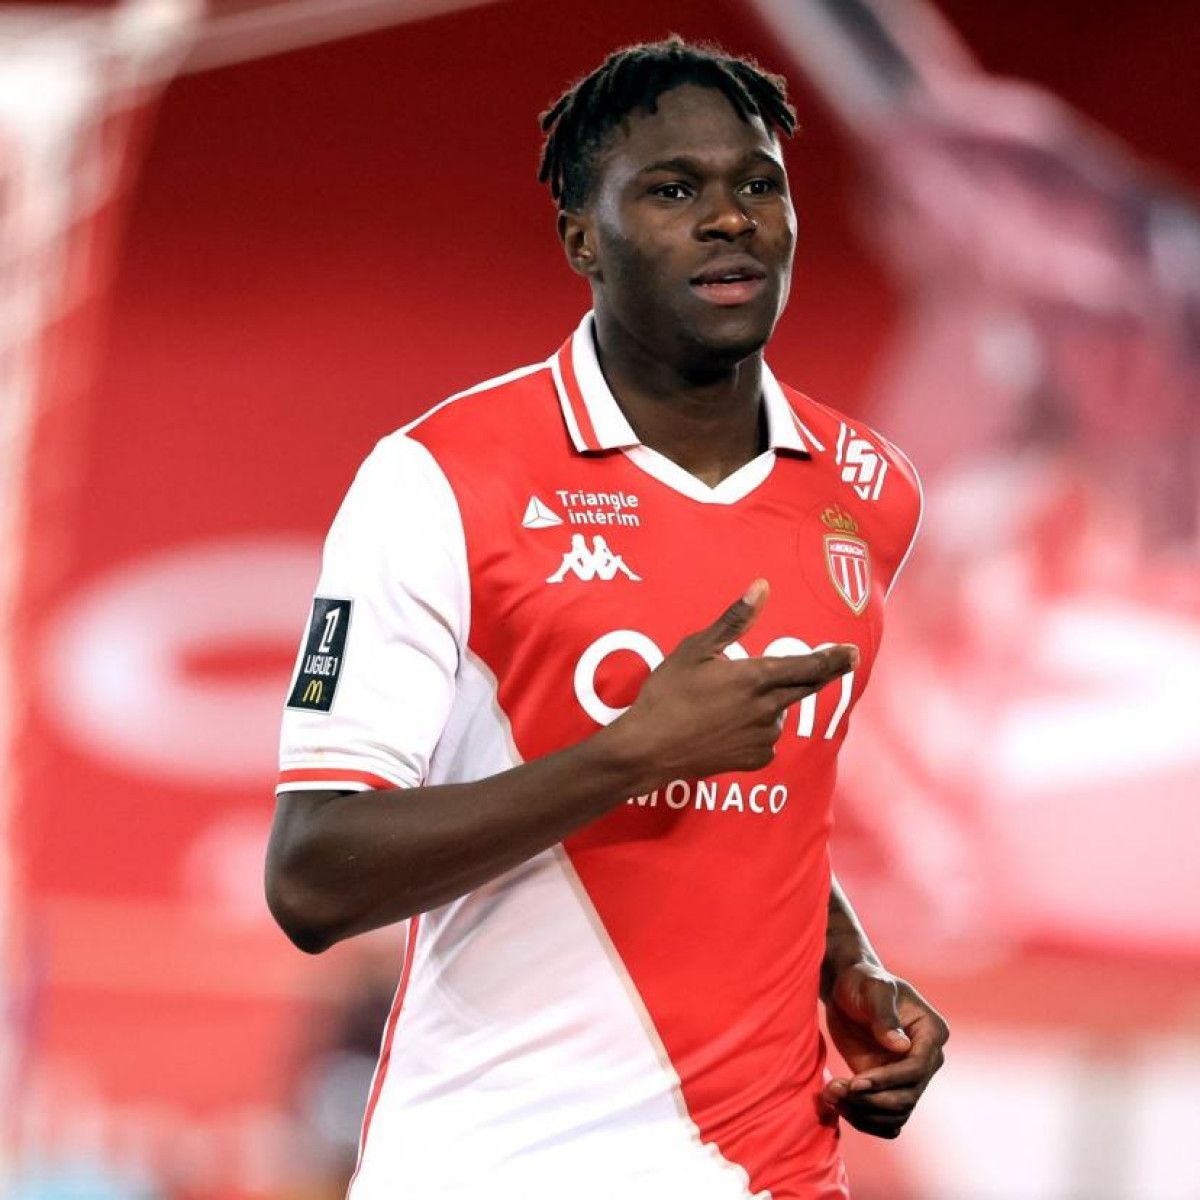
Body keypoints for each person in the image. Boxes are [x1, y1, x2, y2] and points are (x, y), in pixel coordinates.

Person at [266, 36, 948, 1200]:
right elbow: (313, 880)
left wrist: (848, 965)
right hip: (499, 1166)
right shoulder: (439, 479)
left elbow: (773, 809)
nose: (730, 218)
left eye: (759, 184)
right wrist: (631, 753)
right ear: (582, 237)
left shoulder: (870, 490)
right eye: (674, 190)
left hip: (768, 1168)